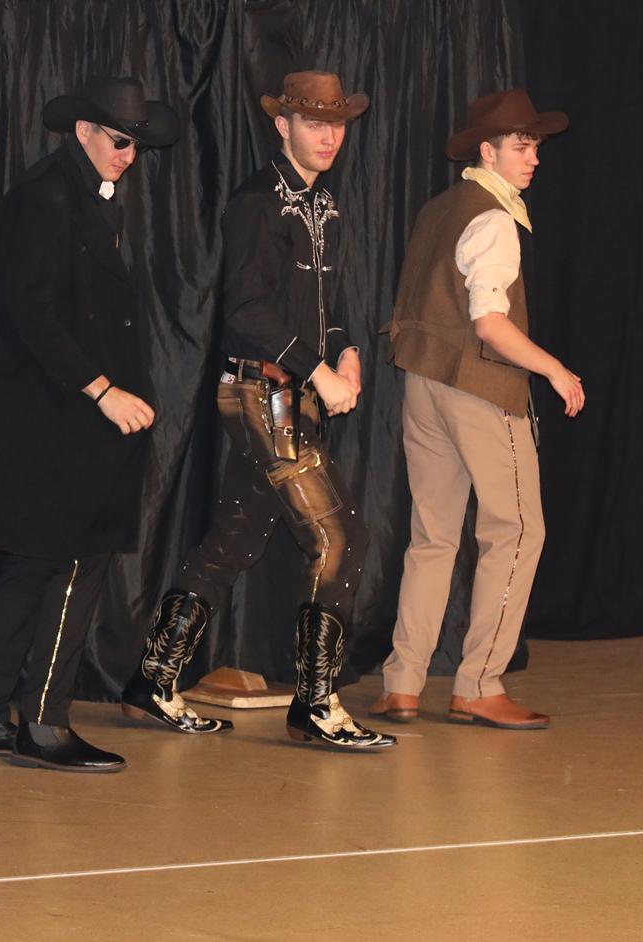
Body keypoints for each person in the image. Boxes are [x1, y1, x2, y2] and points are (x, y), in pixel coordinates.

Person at [118, 71, 393, 751]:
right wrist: (317, 369)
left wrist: (347, 352)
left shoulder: (323, 204)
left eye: (336, 124)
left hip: (286, 394)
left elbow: (324, 307)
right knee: (341, 538)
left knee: (234, 541)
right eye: (313, 123)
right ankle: (316, 704)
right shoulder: (257, 204)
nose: (328, 136)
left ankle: (153, 679)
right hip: (263, 394)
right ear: (282, 125)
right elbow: (246, 312)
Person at [0, 77, 179, 773]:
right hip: (47, 415)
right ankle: (43, 722)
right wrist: (102, 390)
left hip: (55, 413)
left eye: (136, 145)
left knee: (35, 564)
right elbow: (27, 310)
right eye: (119, 141)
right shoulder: (46, 197)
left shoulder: (83, 194)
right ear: (83, 131)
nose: (129, 155)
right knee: (69, 561)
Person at [372, 89, 582, 729]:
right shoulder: (492, 218)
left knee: (433, 536)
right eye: (522, 146)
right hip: (479, 389)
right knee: (516, 531)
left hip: (423, 382)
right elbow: (489, 323)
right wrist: (553, 369)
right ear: (487, 151)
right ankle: (480, 684)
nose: (534, 158)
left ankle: (402, 684)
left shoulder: (439, 208)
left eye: (536, 146)